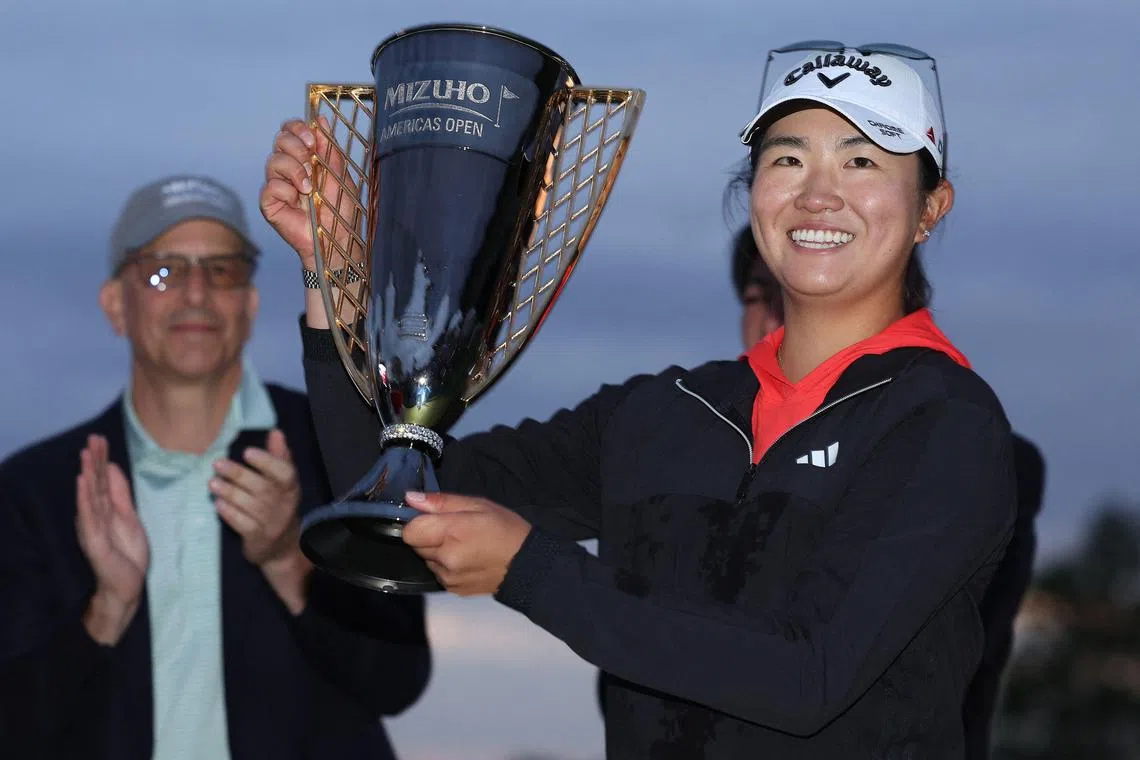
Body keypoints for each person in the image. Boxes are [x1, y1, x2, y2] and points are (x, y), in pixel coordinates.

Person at [267, 43, 1019, 756]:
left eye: (861, 161)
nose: (818, 193)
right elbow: (386, 485)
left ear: (931, 206)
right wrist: (335, 277)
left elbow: (807, 676)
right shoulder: (668, 411)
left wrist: (532, 570)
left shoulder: (946, 422)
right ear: (753, 192)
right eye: (788, 157)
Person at [0, 175, 430, 759]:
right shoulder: (36, 492)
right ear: (114, 305)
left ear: (250, 305)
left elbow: (397, 680)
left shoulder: (339, 451)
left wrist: (289, 562)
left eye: (222, 271)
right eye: (162, 272)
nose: (196, 294)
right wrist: (106, 609)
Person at [728, 221, 1046, 757]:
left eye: (805, 293)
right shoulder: (703, 454)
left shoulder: (971, 452)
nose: (776, 316)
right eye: (762, 294)